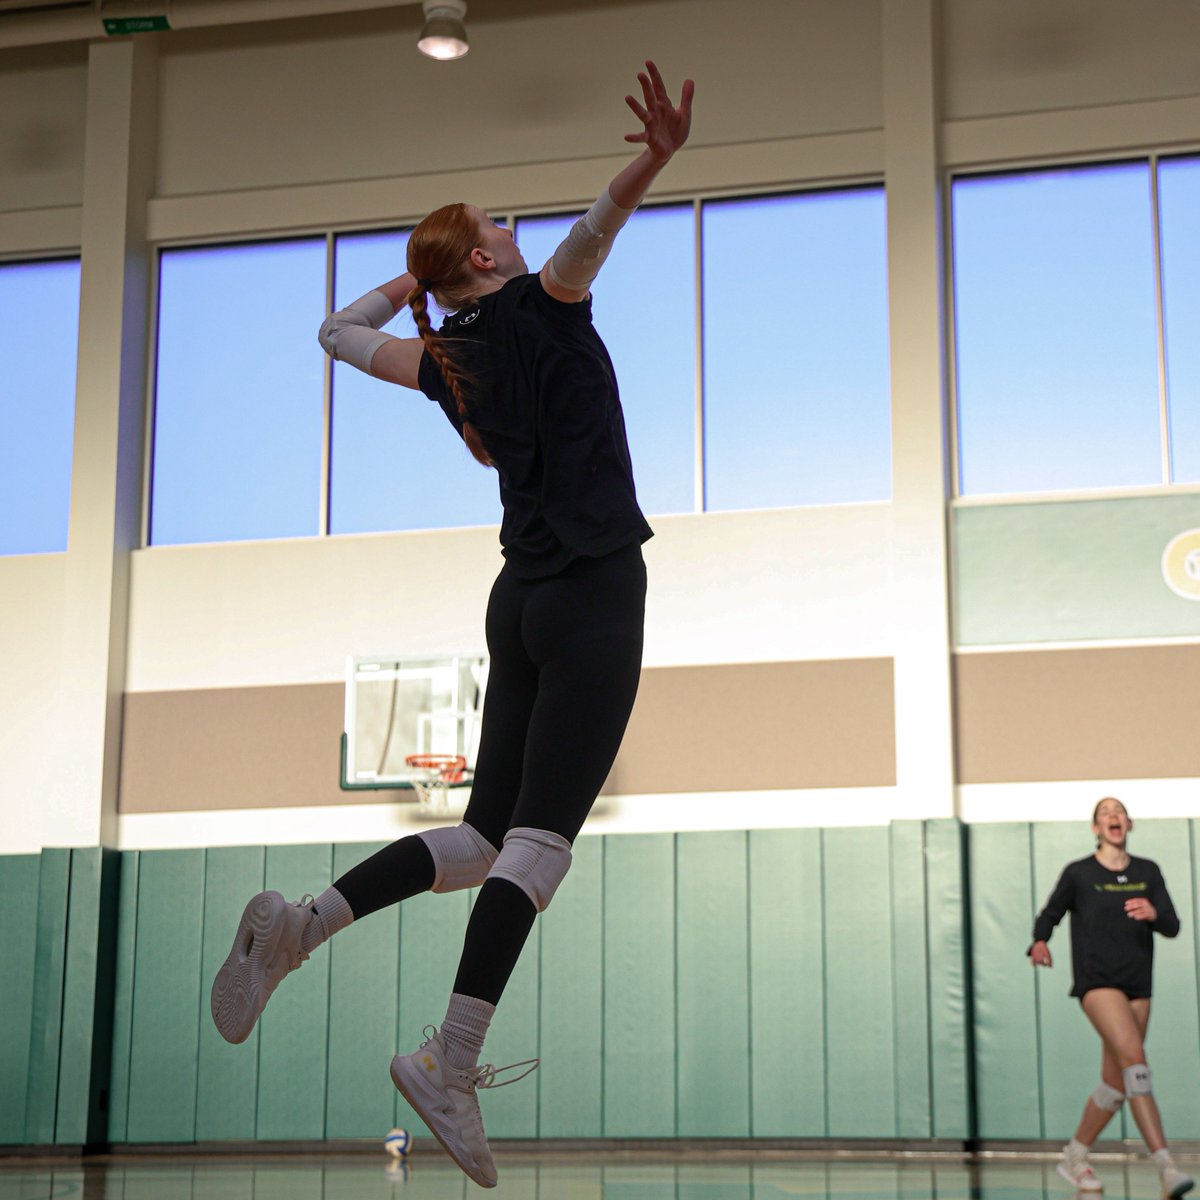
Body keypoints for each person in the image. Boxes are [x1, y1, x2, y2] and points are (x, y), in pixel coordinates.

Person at [209, 61, 693, 1189]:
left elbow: (333, 332)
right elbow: (596, 226)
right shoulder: (541, 303)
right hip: (592, 594)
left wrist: (414, 274)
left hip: (518, 601)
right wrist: (654, 159)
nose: (517, 229)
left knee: (482, 843)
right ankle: (449, 1062)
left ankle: (303, 925)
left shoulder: (451, 355)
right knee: (536, 849)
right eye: (496, 224)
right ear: (487, 258)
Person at [1029, 797, 1192, 1198]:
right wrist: (1039, 941)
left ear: (1129, 823)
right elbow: (1050, 913)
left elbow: (1172, 925)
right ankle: (1166, 1167)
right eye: (1104, 813)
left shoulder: (1147, 871)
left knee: (1115, 1085)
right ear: (1096, 829)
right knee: (1136, 1066)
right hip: (1098, 982)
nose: (1112, 817)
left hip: (1138, 984)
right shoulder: (1080, 873)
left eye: (1118, 812)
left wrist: (1155, 914)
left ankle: (1075, 1156)